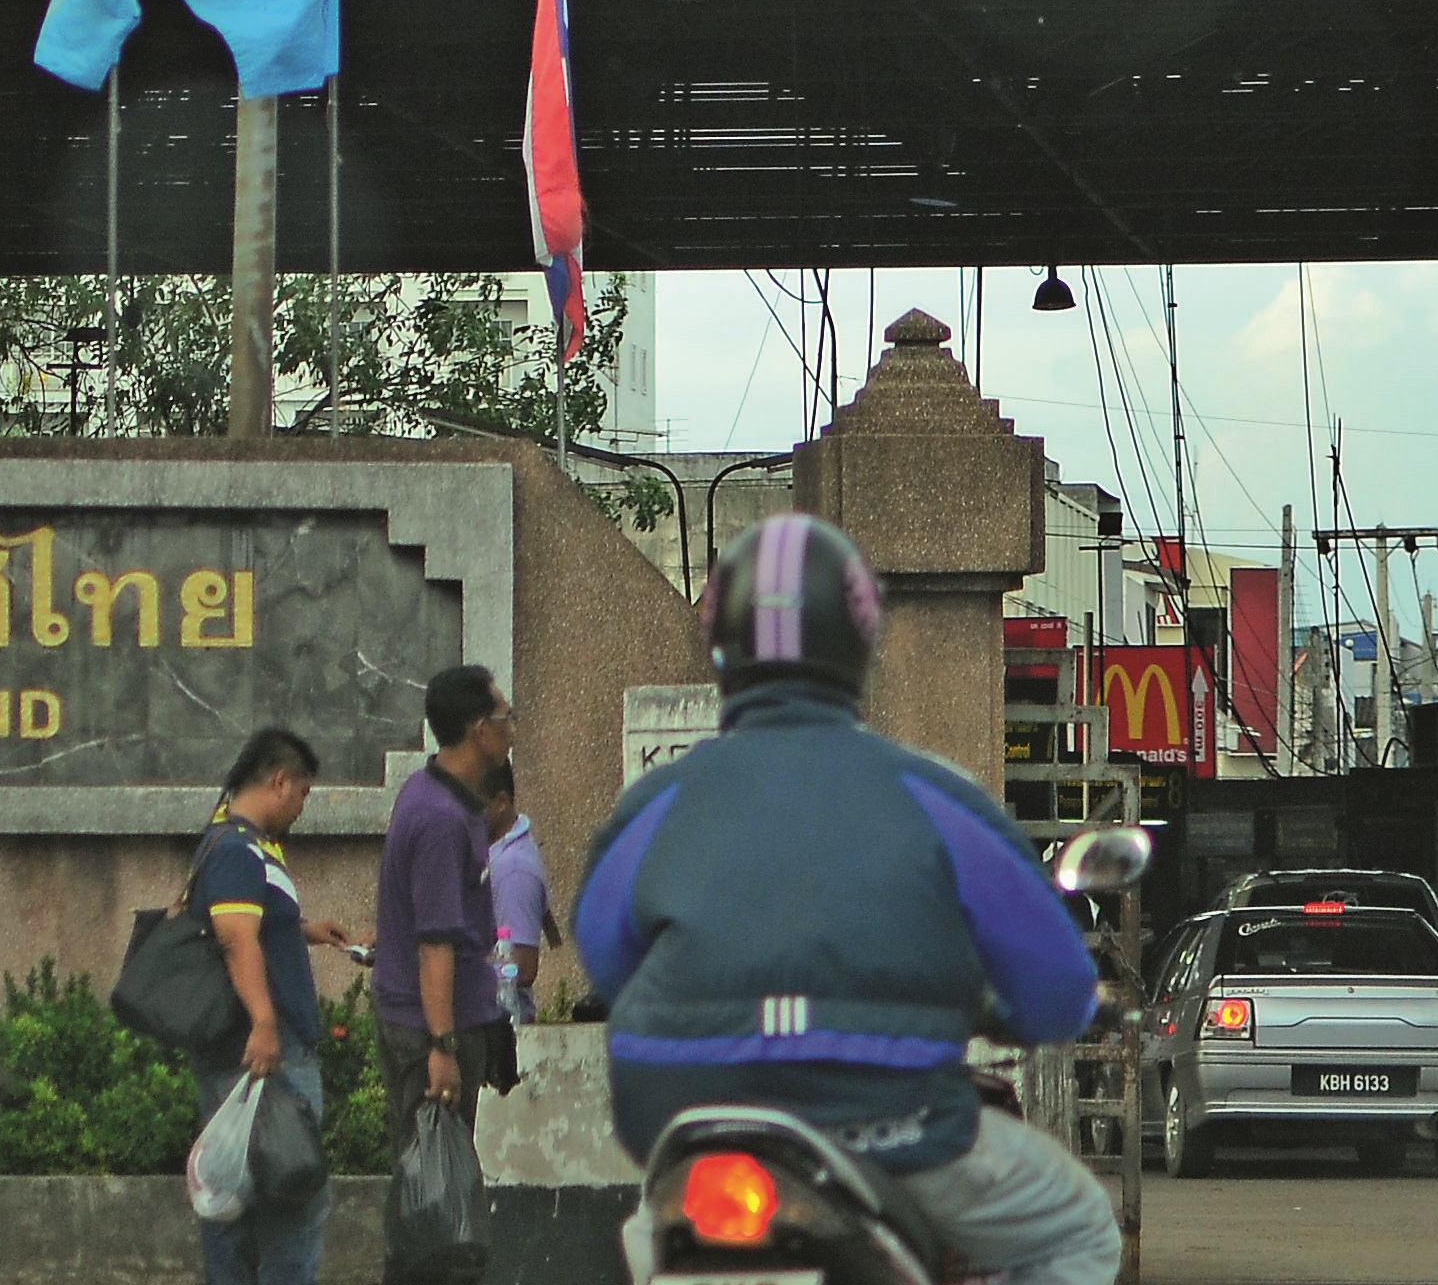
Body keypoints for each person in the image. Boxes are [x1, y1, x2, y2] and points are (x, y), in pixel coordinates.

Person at [575, 513, 1115, 1285]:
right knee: (1079, 1230)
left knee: (647, 1236)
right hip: (892, 1124)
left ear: (719, 640)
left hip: (679, 1117)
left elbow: (605, 959)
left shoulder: (655, 806)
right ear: (859, 638)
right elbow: (1057, 993)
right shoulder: (935, 799)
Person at [193, 726, 356, 1285]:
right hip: (268, 1056)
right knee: (292, 1201)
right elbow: (236, 937)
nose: (302, 809)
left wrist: (306, 931)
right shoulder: (238, 849)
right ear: (279, 781)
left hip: (250, 1054)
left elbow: (255, 925)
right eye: (303, 795)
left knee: (237, 1205)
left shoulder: (241, 846)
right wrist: (264, 1023)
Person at [376, 663, 520, 1221]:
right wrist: (443, 1047)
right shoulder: (438, 817)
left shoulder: (444, 797)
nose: (512, 727)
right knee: (431, 1197)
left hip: (455, 1016)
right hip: (429, 1029)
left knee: (440, 1189)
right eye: (506, 716)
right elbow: (434, 946)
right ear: (480, 730)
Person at [488, 763, 555, 1018]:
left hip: (503, 1026)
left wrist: (458, 964)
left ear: (502, 802)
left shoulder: (512, 868)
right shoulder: (493, 853)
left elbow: (523, 968)